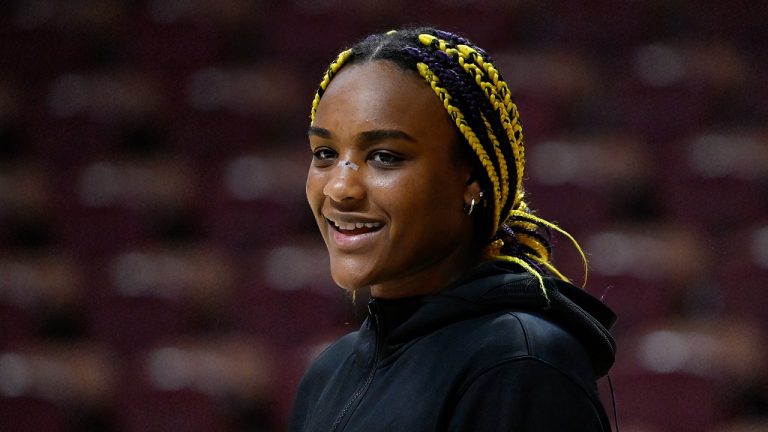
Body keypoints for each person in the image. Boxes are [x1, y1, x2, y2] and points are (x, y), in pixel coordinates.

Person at [290, 27, 616, 432]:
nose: (340, 187)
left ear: (471, 180)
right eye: (325, 153)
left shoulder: (519, 364)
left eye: (385, 157)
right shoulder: (328, 373)